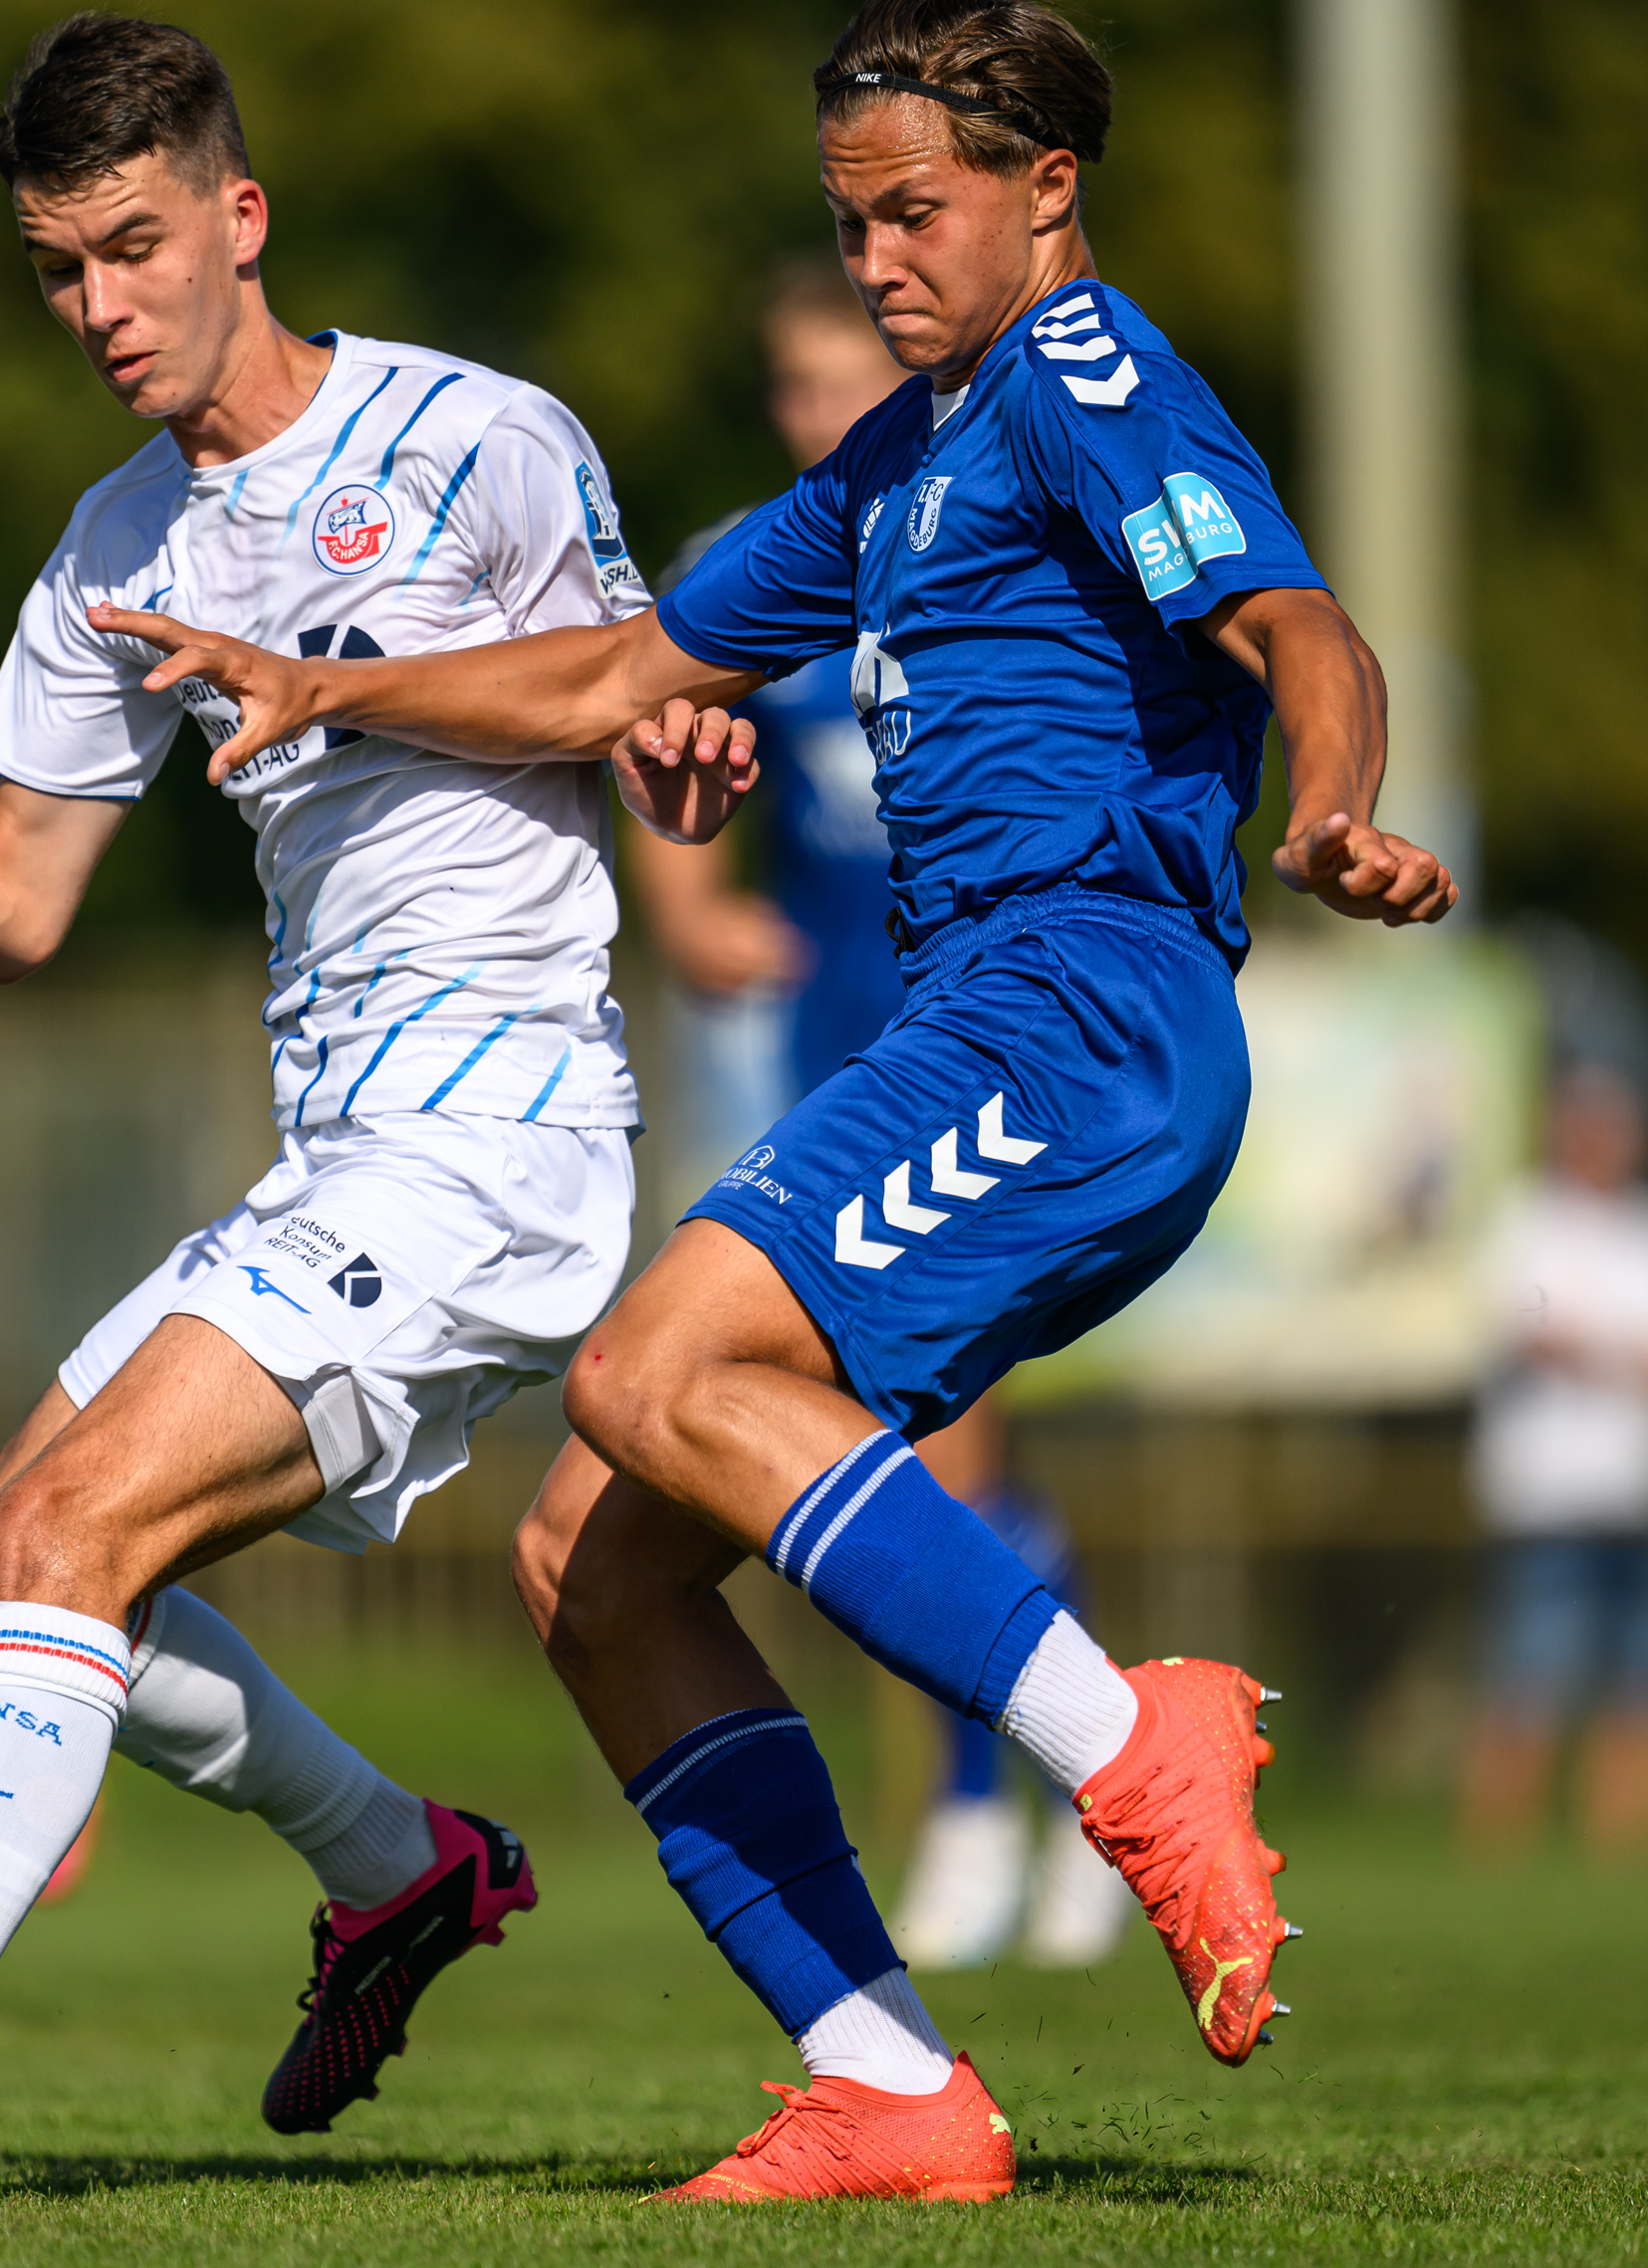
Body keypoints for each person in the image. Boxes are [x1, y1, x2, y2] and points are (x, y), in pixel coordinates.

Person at [106, 0, 1457, 2203]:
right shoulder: (893, 466)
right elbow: (619, 675)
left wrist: (1329, 811)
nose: (875, 261)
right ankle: (887, 2082)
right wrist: (336, 679)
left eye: (912, 210)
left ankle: (1130, 1741)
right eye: (847, 223)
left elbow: (1298, 625)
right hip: (975, 1023)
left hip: (1080, 1011)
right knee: (588, 1557)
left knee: (654, 1364)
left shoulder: (1081, 376)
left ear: (1044, 190)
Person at [0, 14, 648, 2203]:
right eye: (53, 267)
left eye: (129, 247)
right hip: (341, 1148)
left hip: (501, 1136)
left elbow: (640, 693)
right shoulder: (109, 545)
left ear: (237, 219)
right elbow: (9, 898)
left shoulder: (478, 438)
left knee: (69, 1541)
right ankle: (401, 1863)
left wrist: (689, 774)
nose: (92, 306)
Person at [629, 259, 1128, 1972]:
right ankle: (1064, 1793)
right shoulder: (781, 551)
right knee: (882, 1447)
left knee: (922, 1441)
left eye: (835, 366)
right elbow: (652, 710)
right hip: (837, 1048)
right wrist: (686, 897)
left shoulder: (999, 509)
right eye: (786, 379)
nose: (809, 405)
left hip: (980, 1045)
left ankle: (1006, 1812)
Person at [1461, 1059, 1648, 1858]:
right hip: (1548, 1495)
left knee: (1635, 1689)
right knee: (1528, 1676)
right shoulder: (1527, 1219)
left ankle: (1616, 1851)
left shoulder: (1637, 1227)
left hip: (1633, 1493)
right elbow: (1534, 1333)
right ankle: (1499, 1848)